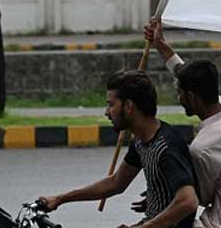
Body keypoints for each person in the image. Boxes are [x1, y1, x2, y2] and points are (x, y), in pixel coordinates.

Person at [39, 71, 198, 228]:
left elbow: (188, 201)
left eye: (111, 104)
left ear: (129, 106)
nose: (106, 112)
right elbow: (116, 183)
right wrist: (60, 199)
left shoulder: (165, 148)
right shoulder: (140, 140)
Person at [144, 18, 221, 228]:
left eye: (179, 93)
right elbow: (183, 72)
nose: (178, 98)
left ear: (191, 96)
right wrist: (161, 45)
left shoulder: (204, 147)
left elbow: (198, 197)